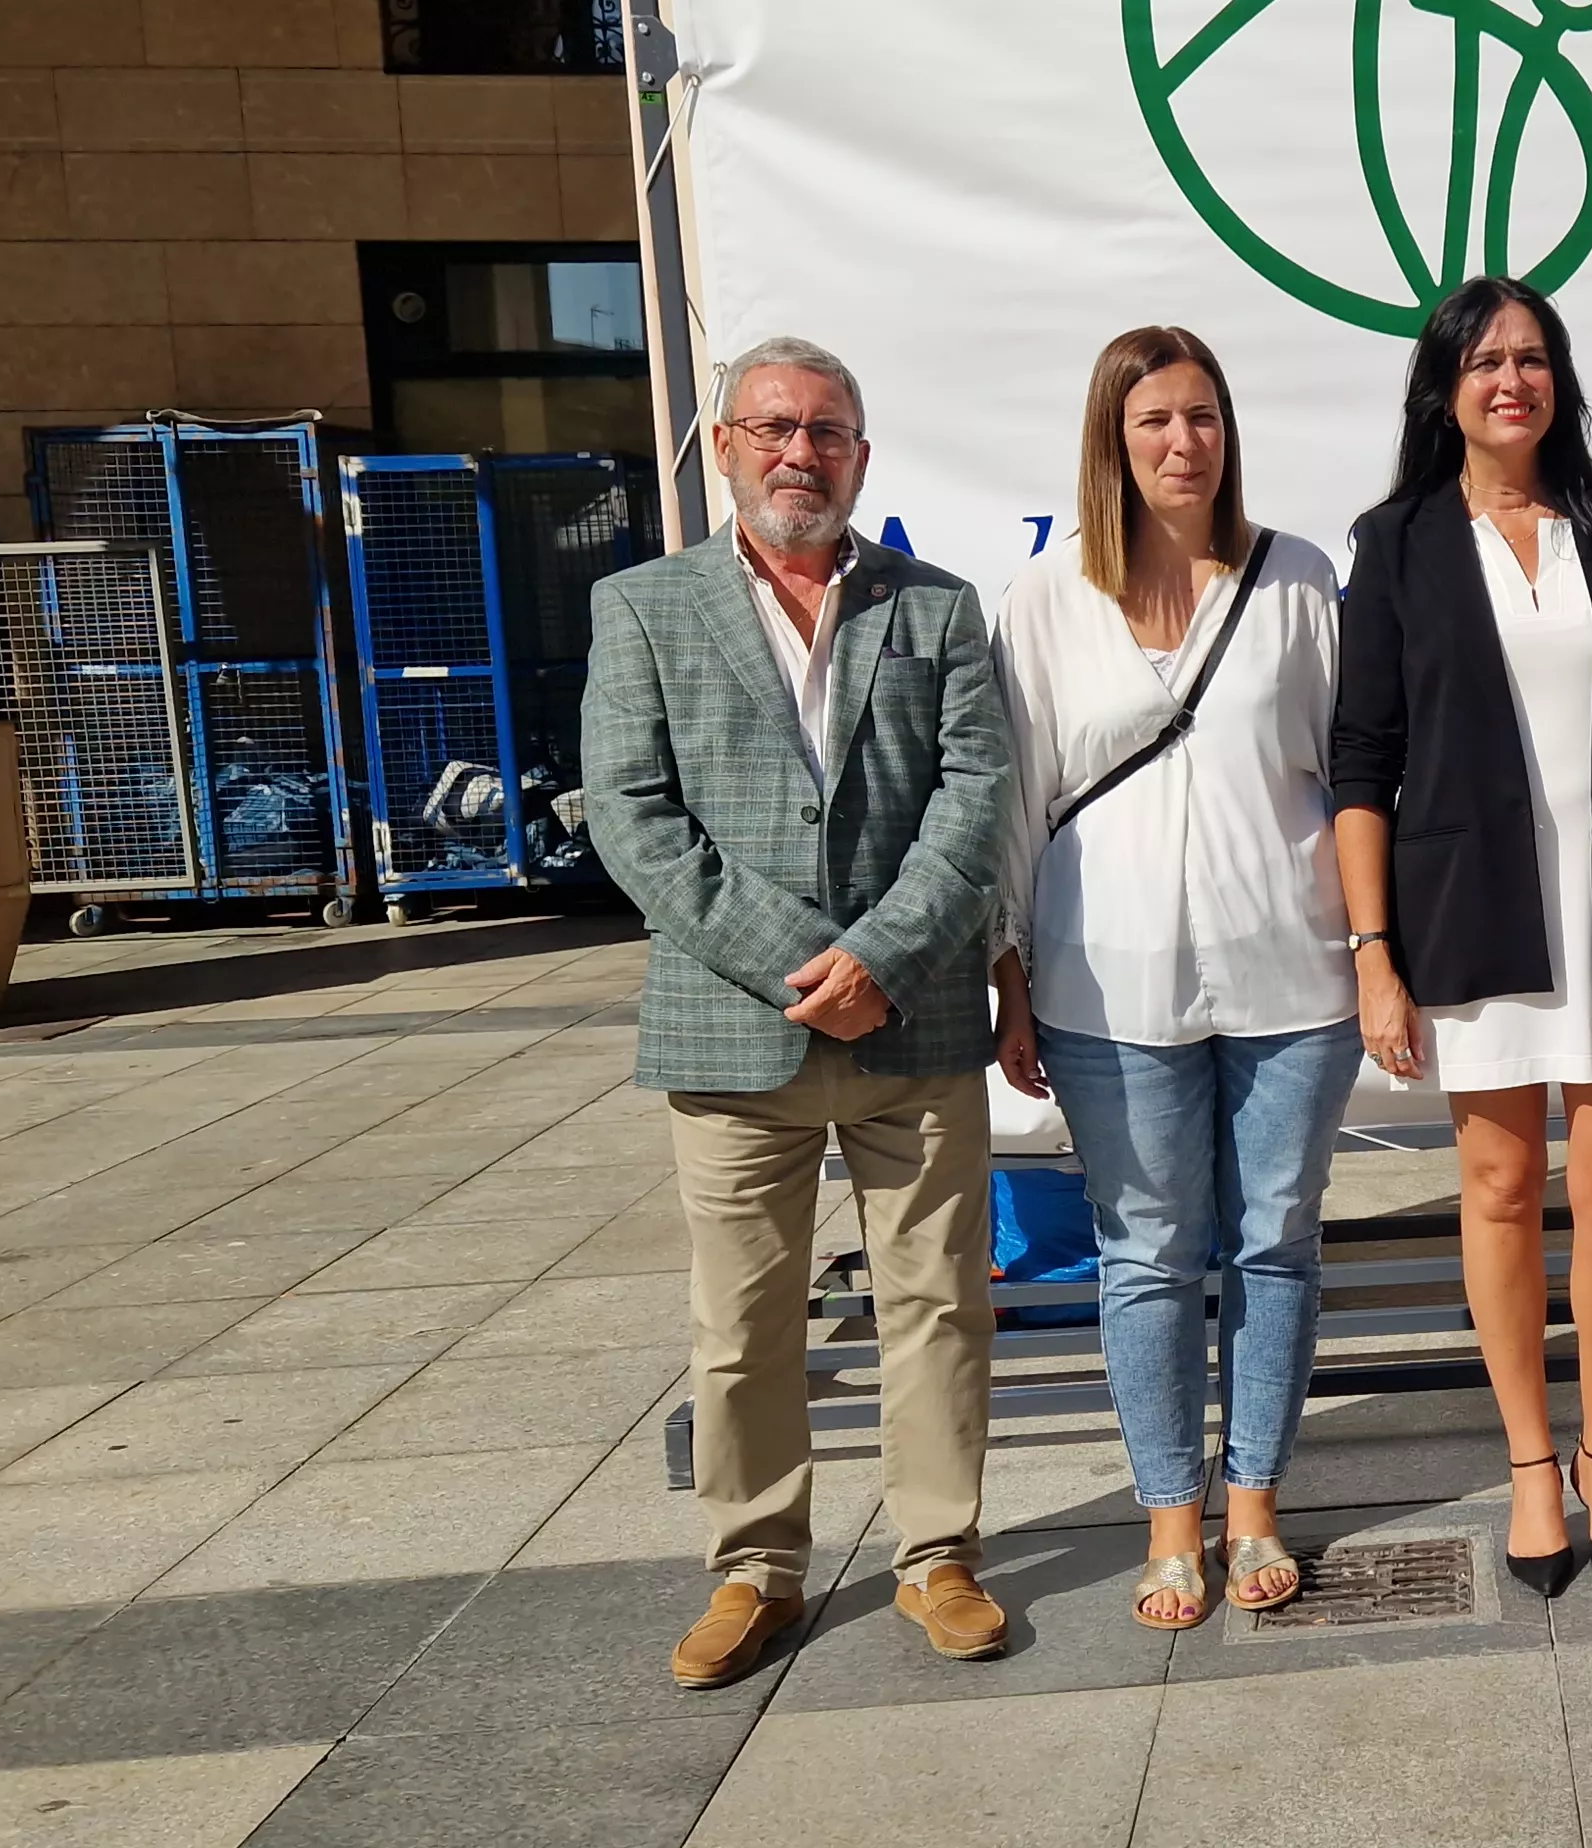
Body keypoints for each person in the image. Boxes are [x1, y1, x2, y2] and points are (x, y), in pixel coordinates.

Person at [585, 335, 1013, 1686]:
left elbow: (976, 793)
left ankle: (938, 1556)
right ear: (725, 449)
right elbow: (633, 818)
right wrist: (798, 961)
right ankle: (754, 1568)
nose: (799, 454)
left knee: (939, 1303)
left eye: (827, 432)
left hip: (914, 1018)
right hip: (735, 1026)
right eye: (773, 427)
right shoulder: (645, 609)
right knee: (743, 1323)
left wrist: (883, 953)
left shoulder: (936, 609)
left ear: (862, 458)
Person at [1331, 276, 1592, 1598]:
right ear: (1442, 387)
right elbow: (1362, 763)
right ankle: (1525, 1464)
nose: (1514, 378)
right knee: (1501, 1192)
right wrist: (1374, 953)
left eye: (1535, 356)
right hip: (1472, 915)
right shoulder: (1394, 546)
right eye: (1487, 359)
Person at [987, 328, 1356, 1631]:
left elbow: (1351, 778)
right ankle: (1170, 1517)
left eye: (1202, 416)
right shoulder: (1045, 603)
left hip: (1294, 976)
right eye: (1153, 422)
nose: (1182, 442)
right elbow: (1015, 805)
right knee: (1144, 1253)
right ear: (1112, 440)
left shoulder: (1298, 581)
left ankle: (1255, 1499)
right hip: (1103, 987)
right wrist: (1011, 974)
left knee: (1273, 1245)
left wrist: (1378, 946)